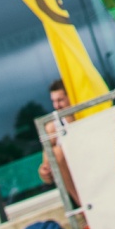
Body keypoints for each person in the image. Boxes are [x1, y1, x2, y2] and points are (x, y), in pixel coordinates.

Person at [38, 78, 81, 207]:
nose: (56, 106)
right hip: (75, 182)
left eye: (60, 100)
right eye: (54, 101)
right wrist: (44, 171)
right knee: (56, 153)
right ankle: (82, 207)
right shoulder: (52, 128)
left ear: (71, 96)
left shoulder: (87, 116)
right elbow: (47, 166)